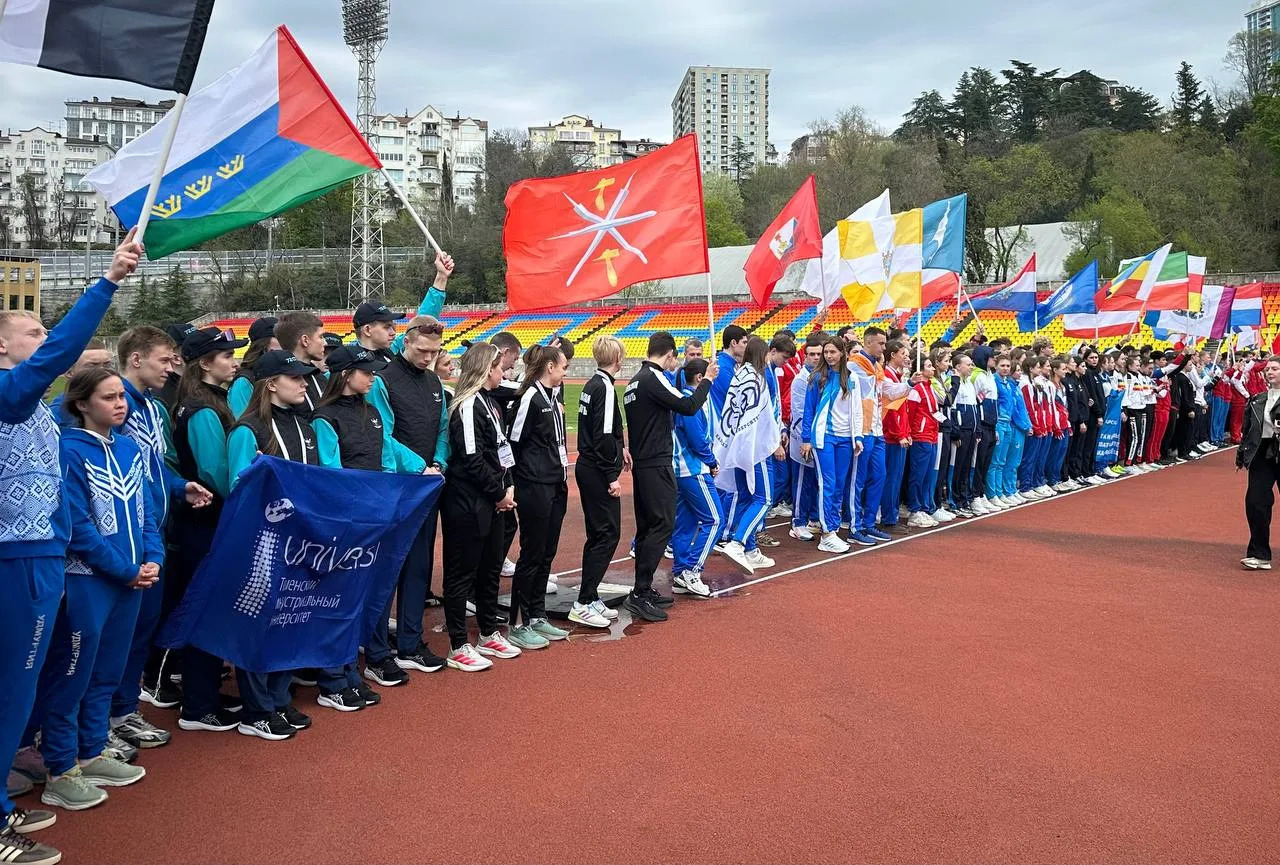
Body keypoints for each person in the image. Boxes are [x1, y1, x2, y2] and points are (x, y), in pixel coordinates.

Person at [0, 231, 138, 865]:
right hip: (18, 558)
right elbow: (61, 357)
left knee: (24, 688)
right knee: (13, 690)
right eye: (34, 332)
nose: (47, 338)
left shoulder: (38, 408)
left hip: (41, 556)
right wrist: (107, 282)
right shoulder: (9, 392)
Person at [31, 368, 161, 810]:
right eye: (109, 398)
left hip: (131, 579)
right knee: (73, 676)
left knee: (108, 670)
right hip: (89, 581)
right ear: (82, 404)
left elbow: (145, 513)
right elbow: (78, 526)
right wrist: (125, 569)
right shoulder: (67, 450)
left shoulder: (128, 447)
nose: (120, 404)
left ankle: (91, 751)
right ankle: (60, 769)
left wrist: (153, 559)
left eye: (121, 396)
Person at [111, 327, 212, 753]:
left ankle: (122, 711)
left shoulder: (153, 408)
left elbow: (156, 466)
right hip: (122, 538)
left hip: (155, 532)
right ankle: (99, 722)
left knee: (143, 629)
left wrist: (179, 486)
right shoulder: (112, 405)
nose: (172, 369)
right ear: (136, 359)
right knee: (114, 636)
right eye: (164, 360)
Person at [226, 351, 323, 740]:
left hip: (301, 540)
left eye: (304, 377)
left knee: (291, 618)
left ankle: (279, 698)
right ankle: (256, 709)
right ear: (271, 384)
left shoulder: (305, 426)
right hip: (264, 542)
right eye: (295, 378)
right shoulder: (247, 430)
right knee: (259, 622)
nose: (304, 383)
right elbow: (237, 488)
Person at [310, 346, 403, 709]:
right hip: (347, 521)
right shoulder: (324, 417)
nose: (373, 378)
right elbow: (331, 473)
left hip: (373, 517)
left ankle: (350, 671)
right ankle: (332, 679)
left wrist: (386, 499)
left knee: (359, 599)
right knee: (337, 600)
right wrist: (359, 507)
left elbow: (386, 461)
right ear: (346, 374)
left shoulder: (373, 412)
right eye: (366, 372)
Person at [167, 326, 248, 735]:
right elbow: (216, 471)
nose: (234, 361)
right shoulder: (202, 408)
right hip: (207, 523)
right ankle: (198, 705)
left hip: (205, 521)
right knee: (205, 610)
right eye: (226, 355)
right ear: (204, 363)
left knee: (208, 607)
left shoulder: (208, 401)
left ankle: (205, 696)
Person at [364, 315, 449, 684]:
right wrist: (419, 466)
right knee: (388, 570)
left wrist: (439, 462)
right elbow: (382, 436)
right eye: (423, 350)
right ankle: (377, 651)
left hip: (428, 486)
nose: (428, 357)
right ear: (407, 342)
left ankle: (411, 644)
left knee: (418, 567)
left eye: (435, 352)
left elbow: (442, 428)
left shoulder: (434, 382)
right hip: (398, 488)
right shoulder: (383, 380)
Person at [624, 332, 715, 622]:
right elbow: (688, 406)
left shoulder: (635, 380)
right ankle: (640, 592)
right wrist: (708, 380)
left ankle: (643, 588)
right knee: (661, 524)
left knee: (650, 525)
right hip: (656, 461)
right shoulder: (654, 377)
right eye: (675, 358)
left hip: (644, 461)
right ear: (670, 354)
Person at [441, 343, 521, 670]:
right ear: (486, 370)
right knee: (461, 573)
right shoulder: (468, 405)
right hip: (469, 500)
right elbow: (472, 459)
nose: (504, 373)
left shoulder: (489, 401)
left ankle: (487, 633)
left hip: (491, 498)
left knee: (490, 568)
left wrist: (508, 483)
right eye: (500, 368)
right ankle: (458, 644)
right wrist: (499, 492)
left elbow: (501, 449)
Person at [506, 345, 572, 649]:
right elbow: (513, 443)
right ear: (549, 367)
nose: (566, 371)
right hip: (534, 485)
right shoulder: (530, 397)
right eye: (563, 366)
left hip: (556, 481)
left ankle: (537, 614)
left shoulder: (552, 396)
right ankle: (517, 623)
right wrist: (518, 481)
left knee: (547, 551)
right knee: (532, 553)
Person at [571, 336, 627, 629]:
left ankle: (590, 595)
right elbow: (603, 435)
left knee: (599, 533)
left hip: (589, 466)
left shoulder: (592, 384)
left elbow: (607, 430)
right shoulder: (603, 387)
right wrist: (611, 476)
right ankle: (583, 601)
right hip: (596, 469)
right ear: (617, 359)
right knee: (606, 534)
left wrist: (622, 447)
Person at [802, 336, 865, 553]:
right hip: (824, 437)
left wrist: (858, 437)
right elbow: (808, 410)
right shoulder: (818, 377)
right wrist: (806, 439)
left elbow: (857, 409)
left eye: (832, 352)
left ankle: (833, 528)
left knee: (839, 485)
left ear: (842, 353)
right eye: (826, 352)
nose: (828, 356)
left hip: (846, 438)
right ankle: (827, 532)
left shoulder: (852, 377)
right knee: (827, 484)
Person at [850, 327, 912, 545]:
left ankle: (869, 523)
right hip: (863, 430)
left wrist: (910, 383)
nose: (884, 348)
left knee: (879, 476)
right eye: (881, 344)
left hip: (877, 430)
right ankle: (855, 526)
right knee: (858, 480)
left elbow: (888, 391)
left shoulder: (876, 367)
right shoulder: (854, 365)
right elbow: (863, 390)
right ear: (868, 343)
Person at [670, 358, 720, 597]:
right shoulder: (691, 402)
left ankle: (681, 571)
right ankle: (691, 570)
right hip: (692, 468)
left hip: (682, 468)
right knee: (715, 520)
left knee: (686, 523)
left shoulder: (686, 399)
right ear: (700, 377)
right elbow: (697, 439)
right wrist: (711, 461)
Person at [1237, 355, 1280, 570]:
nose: (1269, 372)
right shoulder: (1257, 399)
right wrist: (1242, 453)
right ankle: (1259, 553)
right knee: (1256, 502)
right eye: (1268, 369)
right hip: (1262, 453)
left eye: (1275, 369)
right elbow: (1248, 429)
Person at [788, 333, 825, 541]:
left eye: (819, 354)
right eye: (812, 354)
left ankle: (813, 517)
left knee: (815, 480)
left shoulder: (823, 376)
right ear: (805, 356)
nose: (816, 358)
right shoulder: (801, 380)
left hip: (818, 436)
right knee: (802, 481)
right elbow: (800, 412)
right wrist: (806, 439)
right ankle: (798, 522)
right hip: (804, 436)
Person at [879, 339, 913, 530]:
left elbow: (902, 410)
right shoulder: (888, 376)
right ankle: (888, 517)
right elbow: (891, 410)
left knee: (896, 477)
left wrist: (906, 432)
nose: (907, 358)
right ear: (892, 355)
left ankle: (891, 514)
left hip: (898, 434)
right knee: (891, 478)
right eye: (903, 354)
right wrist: (899, 433)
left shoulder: (897, 377)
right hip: (891, 436)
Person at [45, 340, 113, 426]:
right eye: (92, 366)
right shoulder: (58, 416)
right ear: (69, 372)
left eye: (107, 365)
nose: (103, 372)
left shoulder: (119, 404)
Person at [273, 312, 329, 413]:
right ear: (305, 340)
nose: (325, 343)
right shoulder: (284, 385)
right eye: (321, 337)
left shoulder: (319, 376)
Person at [946, 352, 980, 517]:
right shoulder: (954, 383)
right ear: (958, 366)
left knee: (966, 467)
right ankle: (953, 500)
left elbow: (975, 409)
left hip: (971, 431)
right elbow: (952, 409)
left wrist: (977, 430)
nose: (971, 367)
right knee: (956, 467)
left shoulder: (970, 383)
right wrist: (955, 432)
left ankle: (963, 498)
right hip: (961, 432)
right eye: (968, 364)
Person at [968, 346, 1000, 515]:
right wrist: (979, 426)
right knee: (978, 462)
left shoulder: (989, 375)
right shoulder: (977, 376)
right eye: (992, 356)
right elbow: (976, 401)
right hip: (981, 424)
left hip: (991, 424)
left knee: (986, 462)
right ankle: (974, 496)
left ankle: (981, 493)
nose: (995, 359)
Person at [227, 316, 279, 416]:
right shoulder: (244, 382)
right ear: (264, 345)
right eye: (279, 337)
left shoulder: (285, 373)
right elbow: (242, 421)